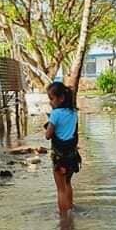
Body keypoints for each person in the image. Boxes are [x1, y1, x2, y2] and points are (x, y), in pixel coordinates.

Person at [44, 81, 81, 215]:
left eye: (51, 99)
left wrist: (49, 125)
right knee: (68, 184)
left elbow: (48, 135)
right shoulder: (73, 113)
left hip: (59, 157)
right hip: (72, 155)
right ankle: (70, 209)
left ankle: (64, 219)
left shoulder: (55, 114)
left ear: (61, 98)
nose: (50, 102)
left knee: (60, 189)